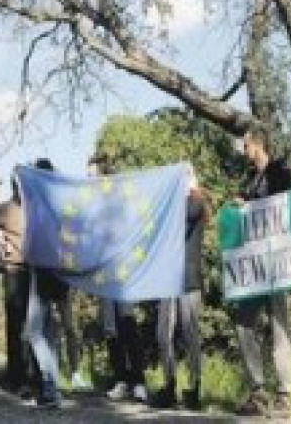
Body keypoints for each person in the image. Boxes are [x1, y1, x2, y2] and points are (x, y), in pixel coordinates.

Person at [231, 126, 291, 416]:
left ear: (255, 145)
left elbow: (287, 207)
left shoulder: (280, 172)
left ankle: (283, 394)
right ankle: (257, 391)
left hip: (276, 265)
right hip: (253, 268)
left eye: (245, 146)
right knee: (243, 324)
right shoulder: (250, 180)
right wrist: (241, 205)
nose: (243, 152)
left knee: (279, 327)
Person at [87, 155, 147, 404]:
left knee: (128, 324)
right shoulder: (92, 205)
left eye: (91, 175)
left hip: (123, 273)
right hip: (103, 274)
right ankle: (121, 378)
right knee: (110, 328)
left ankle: (139, 381)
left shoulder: (120, 200)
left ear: (103, 175)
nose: (88, 180)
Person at [151, 168, 207, 410]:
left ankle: (194, 387)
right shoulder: (171, 206)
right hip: (167, 278)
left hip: (189, 278)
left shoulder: (195, 203)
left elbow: (186, 214)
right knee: (163, 332)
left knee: (189, 332)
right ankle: (169, 383)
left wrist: (185, 186)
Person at [24, 158, 68, 408]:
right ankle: (52, 389)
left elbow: (35, 243)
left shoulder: (40, 207)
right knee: (49, 334)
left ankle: (50, 388)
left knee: (33, 331)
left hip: (42, 273)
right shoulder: (58, 204)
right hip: (57, 273)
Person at [0, 176, 37, 397]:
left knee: (32, 327)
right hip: (12, 272)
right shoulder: (5, 209)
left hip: (33, 272)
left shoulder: (34, 208)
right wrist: (0, 240)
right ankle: (15, 377)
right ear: (13, 186)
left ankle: (32, 376)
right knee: (14, 325)